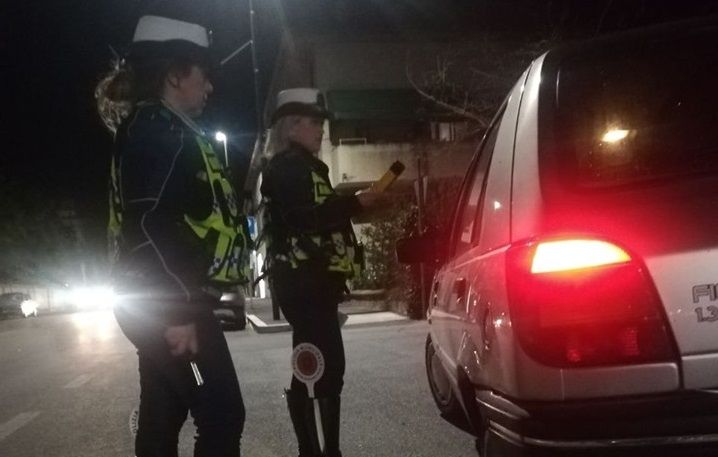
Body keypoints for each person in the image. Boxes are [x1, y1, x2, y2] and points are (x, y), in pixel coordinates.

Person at [96, 11, 250, 457]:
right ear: (175, 74)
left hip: (156, 301)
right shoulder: (156, 133)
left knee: (162, 413)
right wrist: (179, 312)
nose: (210, 86)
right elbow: (149, 223)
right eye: (204, 74)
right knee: (220, 412)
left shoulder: (157, 128)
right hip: (169, 304)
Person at [260, 88, 390, 457]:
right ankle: (319, 452)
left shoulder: (304, 166)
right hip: (303, 282)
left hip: (312, 282)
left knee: (321, 366)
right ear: (291, 127)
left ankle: (322, 451)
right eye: (314, 123)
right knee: (320, 365)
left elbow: (317, 218)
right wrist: (355, 203)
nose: (321, 130)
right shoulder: (287, 168)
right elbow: (304, 219)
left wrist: (355, 206)